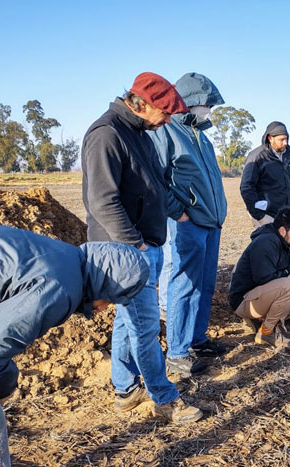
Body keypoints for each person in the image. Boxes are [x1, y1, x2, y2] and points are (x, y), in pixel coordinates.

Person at [0, 226, 150, 467]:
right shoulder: (59, 286)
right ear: (107, 284)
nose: (105, 308)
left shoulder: (63, 260)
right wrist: (4, 388)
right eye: (113, 299)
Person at [82, 72, 202, 424]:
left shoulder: (139, 134)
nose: (166, 121)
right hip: (125, 252)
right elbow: (102, 202)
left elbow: (153, 184)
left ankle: (124, 390)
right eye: (164, 113)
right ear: (141, 103)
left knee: (128, 320)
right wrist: (135, 244)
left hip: (143, 246)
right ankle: (164, 398)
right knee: (146, 327)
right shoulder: (106, 134)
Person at [150, 72, 228, 377]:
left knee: (205, 284)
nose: (208, 110)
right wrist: (178, 212)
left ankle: (197, 339)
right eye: (206, 104)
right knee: (184, 285)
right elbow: (157, 179)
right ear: (190, 101)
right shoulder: (168, 131)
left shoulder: (201, 137)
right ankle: (178, 353)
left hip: (211, 223)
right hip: (188, 223)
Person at [229, 207, 290, 349]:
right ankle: (266, 332)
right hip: (244, 300)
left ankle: (263, 320)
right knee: (289, 286)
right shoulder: (266, 242)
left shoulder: (284, 243)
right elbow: (263, 278)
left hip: (262, 295)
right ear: (283, 231)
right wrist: (287, 276)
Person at [239, 121, 290, 228]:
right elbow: (246, 187)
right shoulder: (257, 157)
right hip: (267, 216)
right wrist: (260, 216)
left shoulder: (288, 157)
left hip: (288, 217)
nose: (285, 143)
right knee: (269, 239)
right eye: (281, 140)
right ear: (270, 138)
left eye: (286, 139)